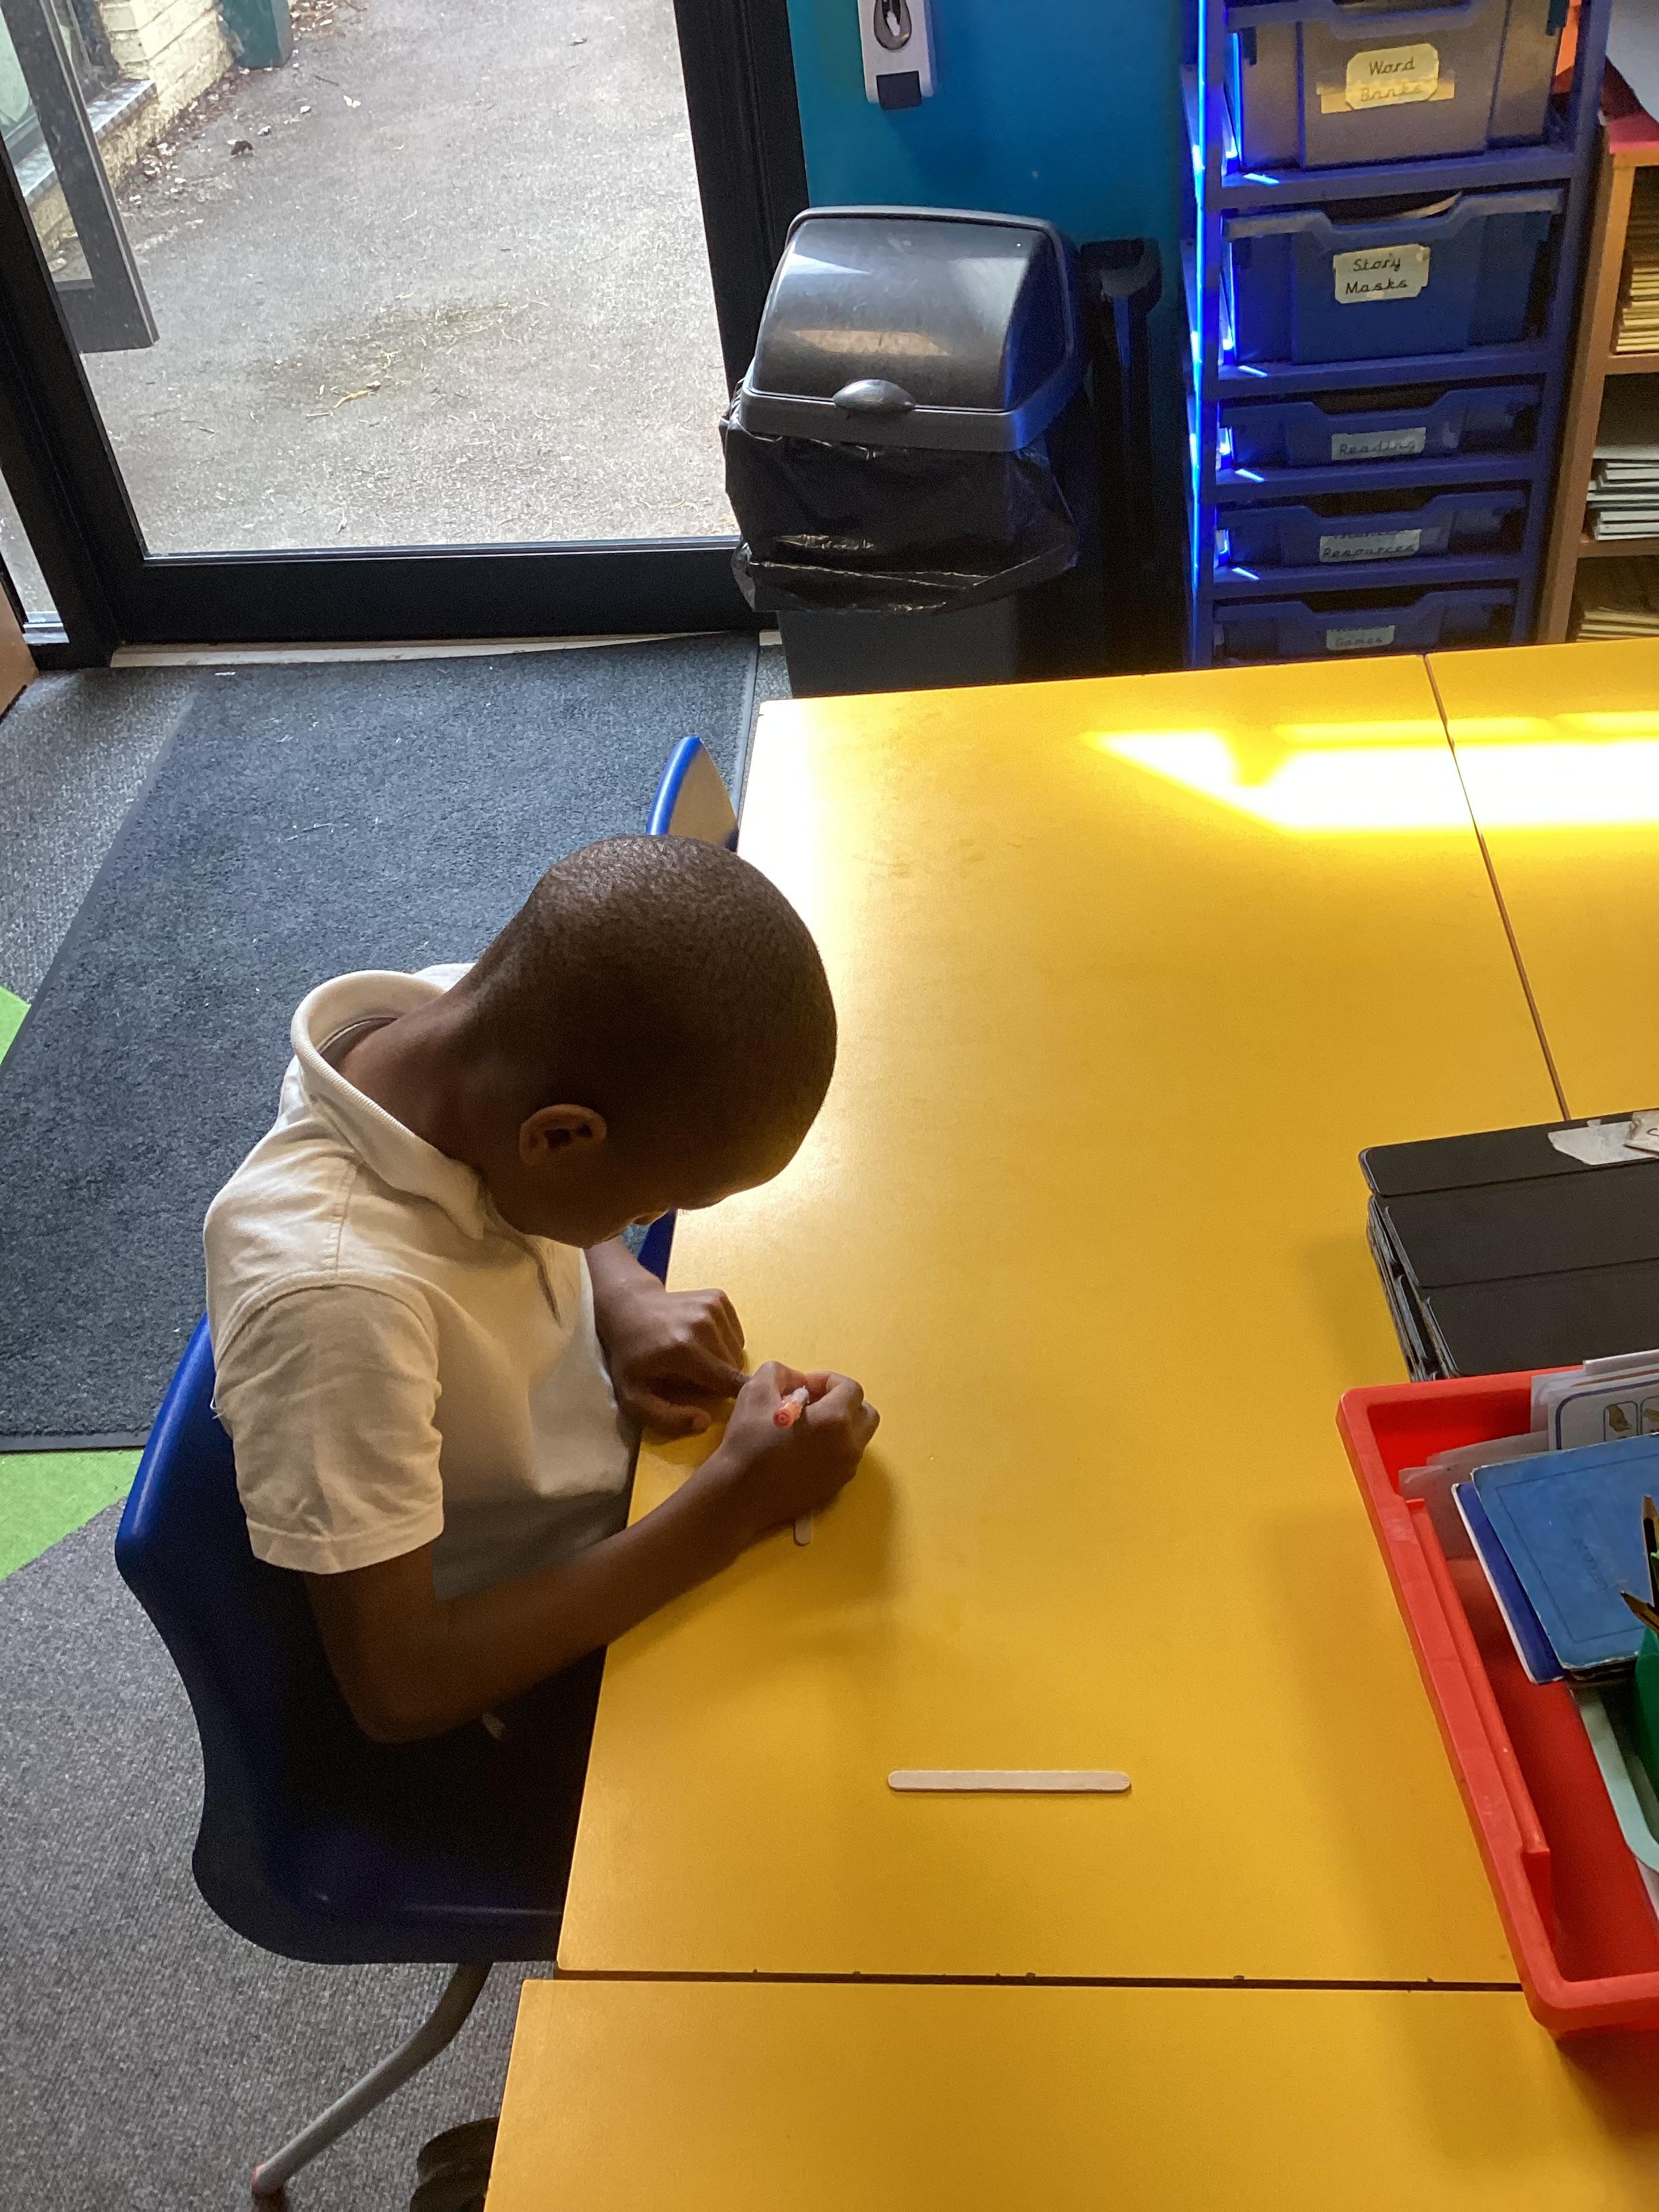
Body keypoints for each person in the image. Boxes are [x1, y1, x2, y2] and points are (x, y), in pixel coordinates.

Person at [204, 833, 879, 1748]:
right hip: (539, 1674)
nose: (649, 1219)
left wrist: (623, 1293)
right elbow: (401, 1686)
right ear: (561, 1138)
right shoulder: (337, 1308)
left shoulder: (468, 1032)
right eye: (659, 1201)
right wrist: (734, 1505)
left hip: (631, 1501)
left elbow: (526, 1176)